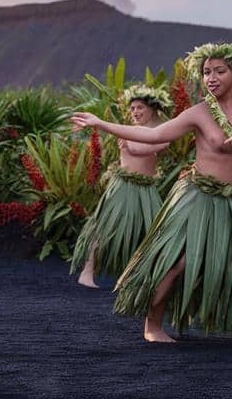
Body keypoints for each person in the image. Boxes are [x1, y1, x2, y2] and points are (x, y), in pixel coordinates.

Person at [71, 42, 232, 342]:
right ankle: (152, 327)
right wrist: (102, 123)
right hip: (199, 197)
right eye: (206, 72)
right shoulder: (201, 112)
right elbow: (154, 134)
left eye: (220, 70)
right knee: (177, 261)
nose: (211, 78)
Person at [70, 86, 172, 288]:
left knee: (149, 232)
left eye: (140, 108)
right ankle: (87, 272)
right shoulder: (129, 131)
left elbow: (145, 145)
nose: (135, 112)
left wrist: (135, 137)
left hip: (146, 189)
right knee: (104, 227)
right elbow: (136, 147)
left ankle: (135, 277)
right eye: (132, 108)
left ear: (152, 109)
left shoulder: (161, 133)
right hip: (123, 187)